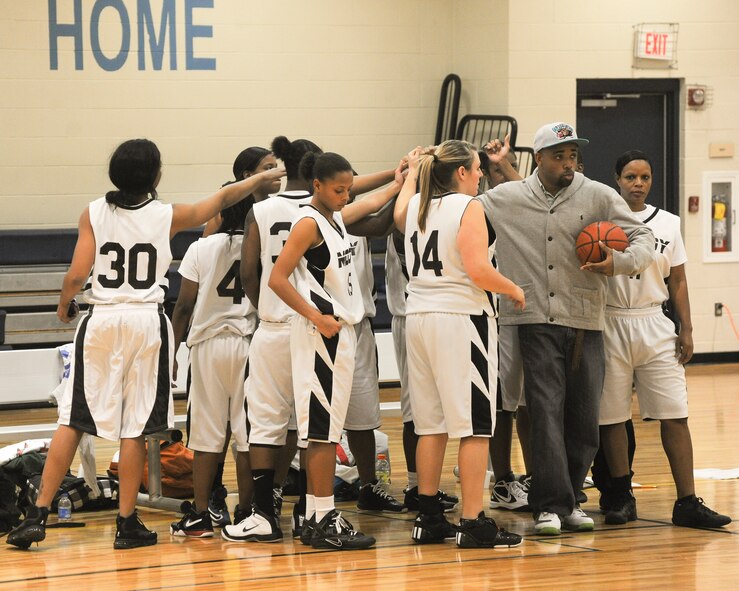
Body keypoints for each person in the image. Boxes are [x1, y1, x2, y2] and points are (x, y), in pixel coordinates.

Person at [6, 138, 285, 550]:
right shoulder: (167, 214)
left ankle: (37, 514)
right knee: (135, 427)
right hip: (145, 322)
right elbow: (224, 197)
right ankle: (126, 523)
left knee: (74, 418)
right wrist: (265, 176)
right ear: (156, 176)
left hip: (101, 320)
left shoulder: (93, 212)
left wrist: (66, 304)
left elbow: (75, 275)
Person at [484, 122, 655, 536]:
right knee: (544, 415)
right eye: (559, 155)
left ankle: (570, 497)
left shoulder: (598, 194)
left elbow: (643, 237)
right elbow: (459, 216)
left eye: (573, 155)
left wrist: (616, 263)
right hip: (532, 322)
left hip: (585, 321)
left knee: (583, 421)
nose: (568, 162)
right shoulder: (504, 199)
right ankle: (549, 505)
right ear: (538, 158)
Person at [393, 141, 525, 549]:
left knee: (431, 424)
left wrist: (413, 172)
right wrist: (515, 290)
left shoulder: (415, 206)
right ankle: (472, 522)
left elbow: (397, 215)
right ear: (463, 173)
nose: (482, 174)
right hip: (461, 320)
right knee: (474, 427)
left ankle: (429, 517)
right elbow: (478, 269)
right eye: (477, 168)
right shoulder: (469, 208)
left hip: (418, 318)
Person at [268, 151, 402, 550]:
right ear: (318, 186)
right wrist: (316, 315)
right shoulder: (308, 223)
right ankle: (324, 517)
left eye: (349, 189)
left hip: (339, 334)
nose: (346, 195)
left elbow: (373, 201)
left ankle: (313, 516)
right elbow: (276, 279)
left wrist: (400, 177)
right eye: (339, 189)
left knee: (323, 431)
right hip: (319, 334)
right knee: (322, 433)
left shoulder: (334, 217)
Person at [597, 150, 731, 529]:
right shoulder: (599, 222)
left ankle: (687, 500)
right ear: (616, 180)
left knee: (675, 414)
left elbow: (679, 280)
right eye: (630, 177)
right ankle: (621, 497)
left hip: (655, 322)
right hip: (610, 321)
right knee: (612, 417)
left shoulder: (669, 223)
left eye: (645, 177)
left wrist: (686, 328)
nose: (638, 184)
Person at [168, 146, 283, 539]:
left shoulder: (200, 248)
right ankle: (248, 509)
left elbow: (182, 308)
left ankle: (201, 512)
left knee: (205, 436)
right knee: (247, 436)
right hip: (250, 344)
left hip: (207, 348)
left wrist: (173, 352)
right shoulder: (263, 249)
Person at [478, 140, 533, 512]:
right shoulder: (476, 208)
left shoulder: (525, 202)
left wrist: (506, 165)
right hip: (493, 314)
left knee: (530, 402)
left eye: (508, 168)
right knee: (501, 405)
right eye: (495, 169)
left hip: (528, 310)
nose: (503, 175)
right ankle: (502, 479)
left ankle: (534, 475)